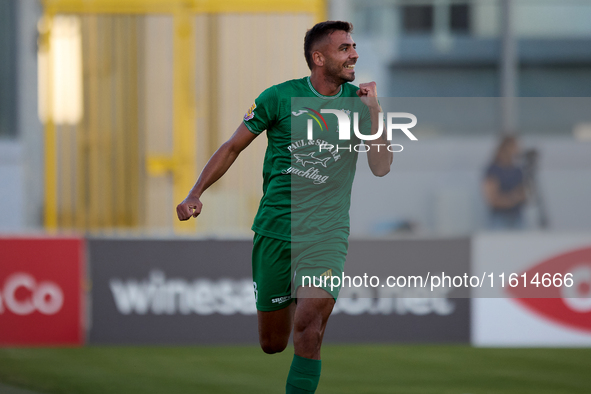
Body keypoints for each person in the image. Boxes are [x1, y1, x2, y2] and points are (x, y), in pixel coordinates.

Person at [176, 21, 392, 394]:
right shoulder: (277, 98)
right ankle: (293, 292)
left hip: (326, 235)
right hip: (275, 230)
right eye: (344, 48)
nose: (354, 54)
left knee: (309, 327)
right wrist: (196, 192)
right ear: (318, 57)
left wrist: (375, 112)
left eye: (353, 46)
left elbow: (380, 166)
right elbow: (232, 147)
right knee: (273, 343)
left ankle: (308, 297)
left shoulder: (359, 105)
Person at [482, 135, 527, 230]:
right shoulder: (493, 170)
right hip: (499, 218)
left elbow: (524, 195)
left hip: (517, 217)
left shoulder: (517, 170)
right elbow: (492, 199)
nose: (518, 150)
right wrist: (512, 199)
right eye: (515, 147)